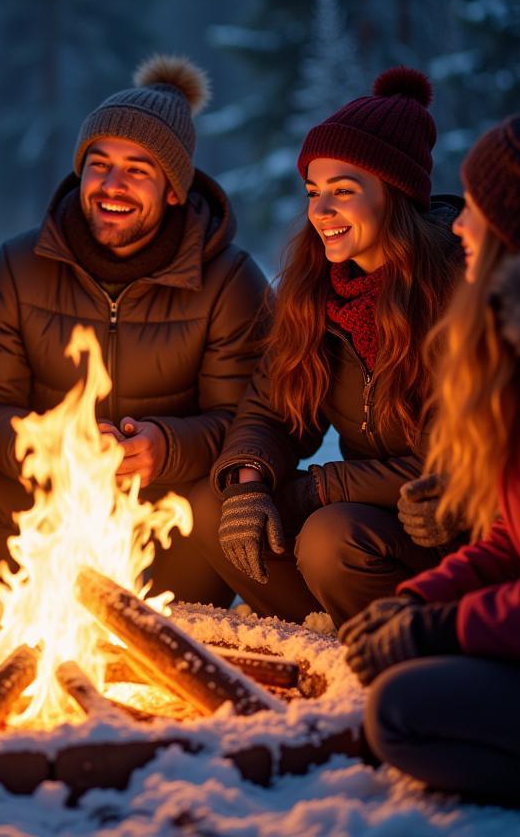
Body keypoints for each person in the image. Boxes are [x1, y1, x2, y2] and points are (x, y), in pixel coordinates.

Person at [0, 55, 270, 602]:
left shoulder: (229, 279)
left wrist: (165, 448)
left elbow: (249, 422)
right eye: (99, 164)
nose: (112, 185)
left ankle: (158, 620)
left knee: (220, 506)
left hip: (168, 536)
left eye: (138, 169)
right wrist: (56, 450)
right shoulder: (21, 265)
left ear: (173, 188)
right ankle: (47, 609)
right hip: (38, 524)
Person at [342, 107, 520, 805]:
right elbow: (514, 539)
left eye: (474, 210)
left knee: (404, 711)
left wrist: (436, 630)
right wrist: (416, 601)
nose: (459, 225)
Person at [188, 68, 463, 627]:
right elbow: (272, 409)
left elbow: (451, 457)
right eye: (313, 192)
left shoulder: (456, 291)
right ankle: (322, 642)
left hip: (445, 523)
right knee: (214, 506)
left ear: (395, 194)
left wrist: (319, 487)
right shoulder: (315, 291)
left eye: (343, 191)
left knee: (329, 536)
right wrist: (250, 479)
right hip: (372, 519)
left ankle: (408, 646)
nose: (320, 211)